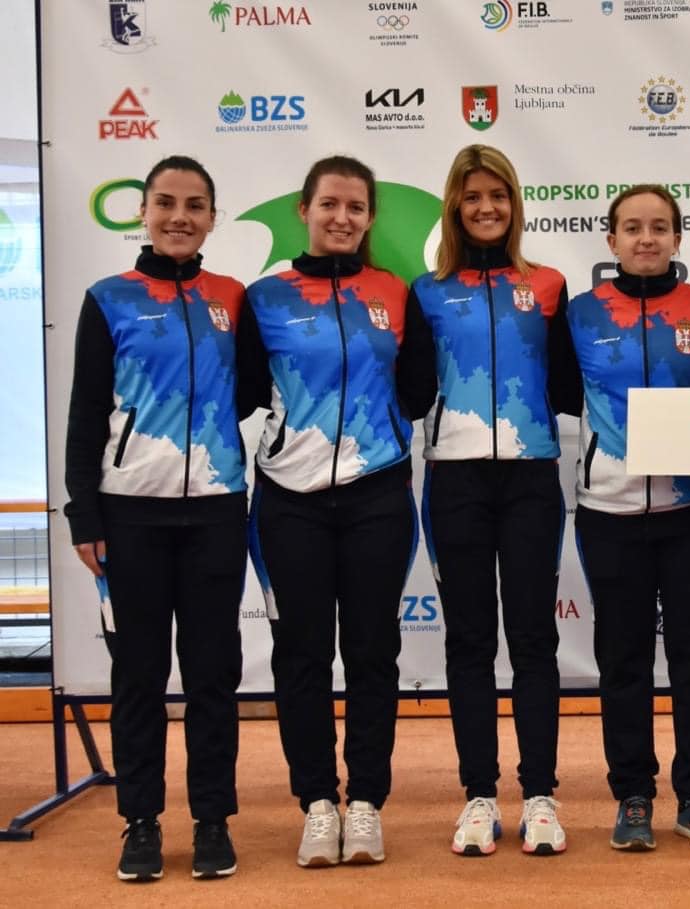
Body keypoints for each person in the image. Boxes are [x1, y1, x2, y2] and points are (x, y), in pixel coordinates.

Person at [238, 155, 431, 868]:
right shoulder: (265, 296)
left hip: (378, 493)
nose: (342, 217)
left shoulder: (395, 291)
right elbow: (244, 392)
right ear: (305, 210)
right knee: (302, 654)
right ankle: (318, 803)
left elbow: (418, 390)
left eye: (355, 207)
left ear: (370, 216)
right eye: (329, 204)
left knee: (374, 652)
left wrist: (377, 427)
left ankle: (366, 802)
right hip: (288, 500)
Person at [64, 155, 246, 882]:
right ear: (142, 211)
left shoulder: (232, 297)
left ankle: (212, 820)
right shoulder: (108, 297)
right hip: (129, 514)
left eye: (195, 205)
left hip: (217, 511)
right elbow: (86, 412)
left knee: (212, 676)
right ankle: (140, 821)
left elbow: (251, 389)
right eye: (166, 202)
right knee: (138, 676)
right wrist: (84, 513)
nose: (179, 216)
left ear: (212, 217)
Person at [407, 145, 580, 856]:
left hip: (533, 477)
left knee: (534, 639)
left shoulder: (548, 285)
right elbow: (410, 392)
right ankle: (478, 795)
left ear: (515, 204)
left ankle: (540, 795)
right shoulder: (426, 292)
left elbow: (571, 387)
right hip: (455, 481)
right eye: (473, 195)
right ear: (454, 204)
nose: (486, 207)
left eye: (498, 195)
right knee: (470, 642)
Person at [566, 184, 690, 853]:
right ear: (611, 240)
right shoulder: (580, 312)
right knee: (623, 661)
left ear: (677, 238)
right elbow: (560, 390)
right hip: (608, 510)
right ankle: (632, 794)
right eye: (633, 227)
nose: (646, 238)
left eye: (659, 227)